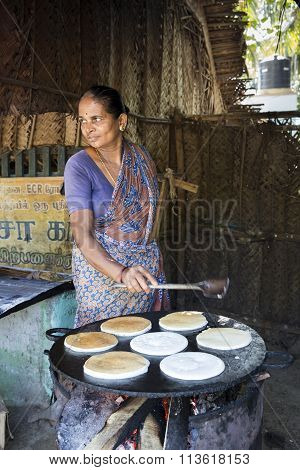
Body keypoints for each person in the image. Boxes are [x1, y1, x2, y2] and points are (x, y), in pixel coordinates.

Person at [64, 85, 170, 328]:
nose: (87, 128)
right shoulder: (79, 166)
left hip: (142, 275)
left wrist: (139, 265)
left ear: (121, 120)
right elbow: (82, 236)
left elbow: (147, 222)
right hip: (102, 278)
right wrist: (122, 272)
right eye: (82, 121)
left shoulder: (141, 158)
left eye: (96, 119)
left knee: (139, 346)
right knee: (100, 350)